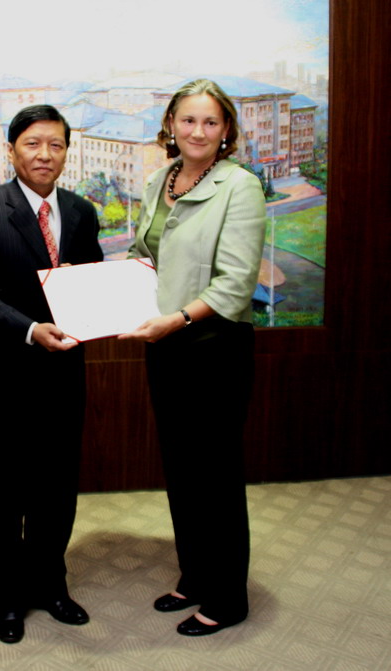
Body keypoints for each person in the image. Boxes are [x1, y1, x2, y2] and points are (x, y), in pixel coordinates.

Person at [119, 79, 266, 636]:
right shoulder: (159, 180)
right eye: (188, 120)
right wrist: (109, 292)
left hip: (214, 348)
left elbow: (235, 283)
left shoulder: (240, 187)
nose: (198, 131)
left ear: (226, 129)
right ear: (171, 124)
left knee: (216, 474)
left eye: (210, 122)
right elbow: (143, 253)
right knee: (181, 468)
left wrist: (176, 319)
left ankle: (228, 599)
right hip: (166, 346)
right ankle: (196, 574)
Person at [0, 104, 103, 644]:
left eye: (56, 145)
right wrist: (32, 329)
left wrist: (100, 299)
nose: (45, 155)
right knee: (7, 496)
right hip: (6, 379)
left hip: (64, 378)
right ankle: (6, 597)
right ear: (11, 150)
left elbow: (91, 281)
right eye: (33, 144)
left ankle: (50, 585)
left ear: (66, 152)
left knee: (58, 493)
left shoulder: (82, 212)